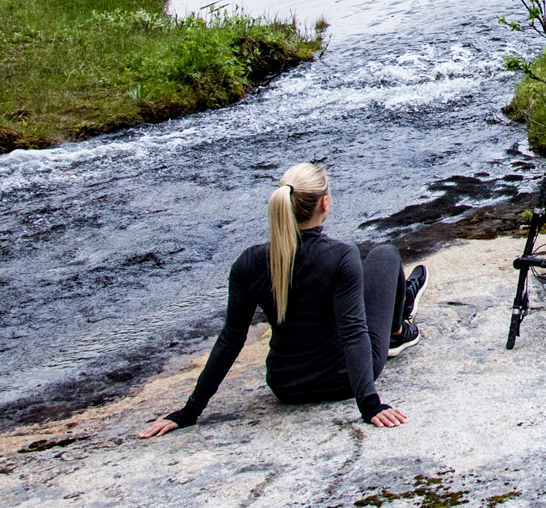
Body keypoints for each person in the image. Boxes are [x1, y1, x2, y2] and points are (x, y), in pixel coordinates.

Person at [137, 163, 426, 436]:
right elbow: (352, 333)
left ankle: (402, 315)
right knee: (384, 255)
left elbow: (230, 340)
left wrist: (189, 411)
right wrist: (370, 405)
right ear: (325, 203)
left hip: (287, 386)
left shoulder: (249, 262)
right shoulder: (341, 256)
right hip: (344, 382)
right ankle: (398, 331)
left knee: (354, 289)